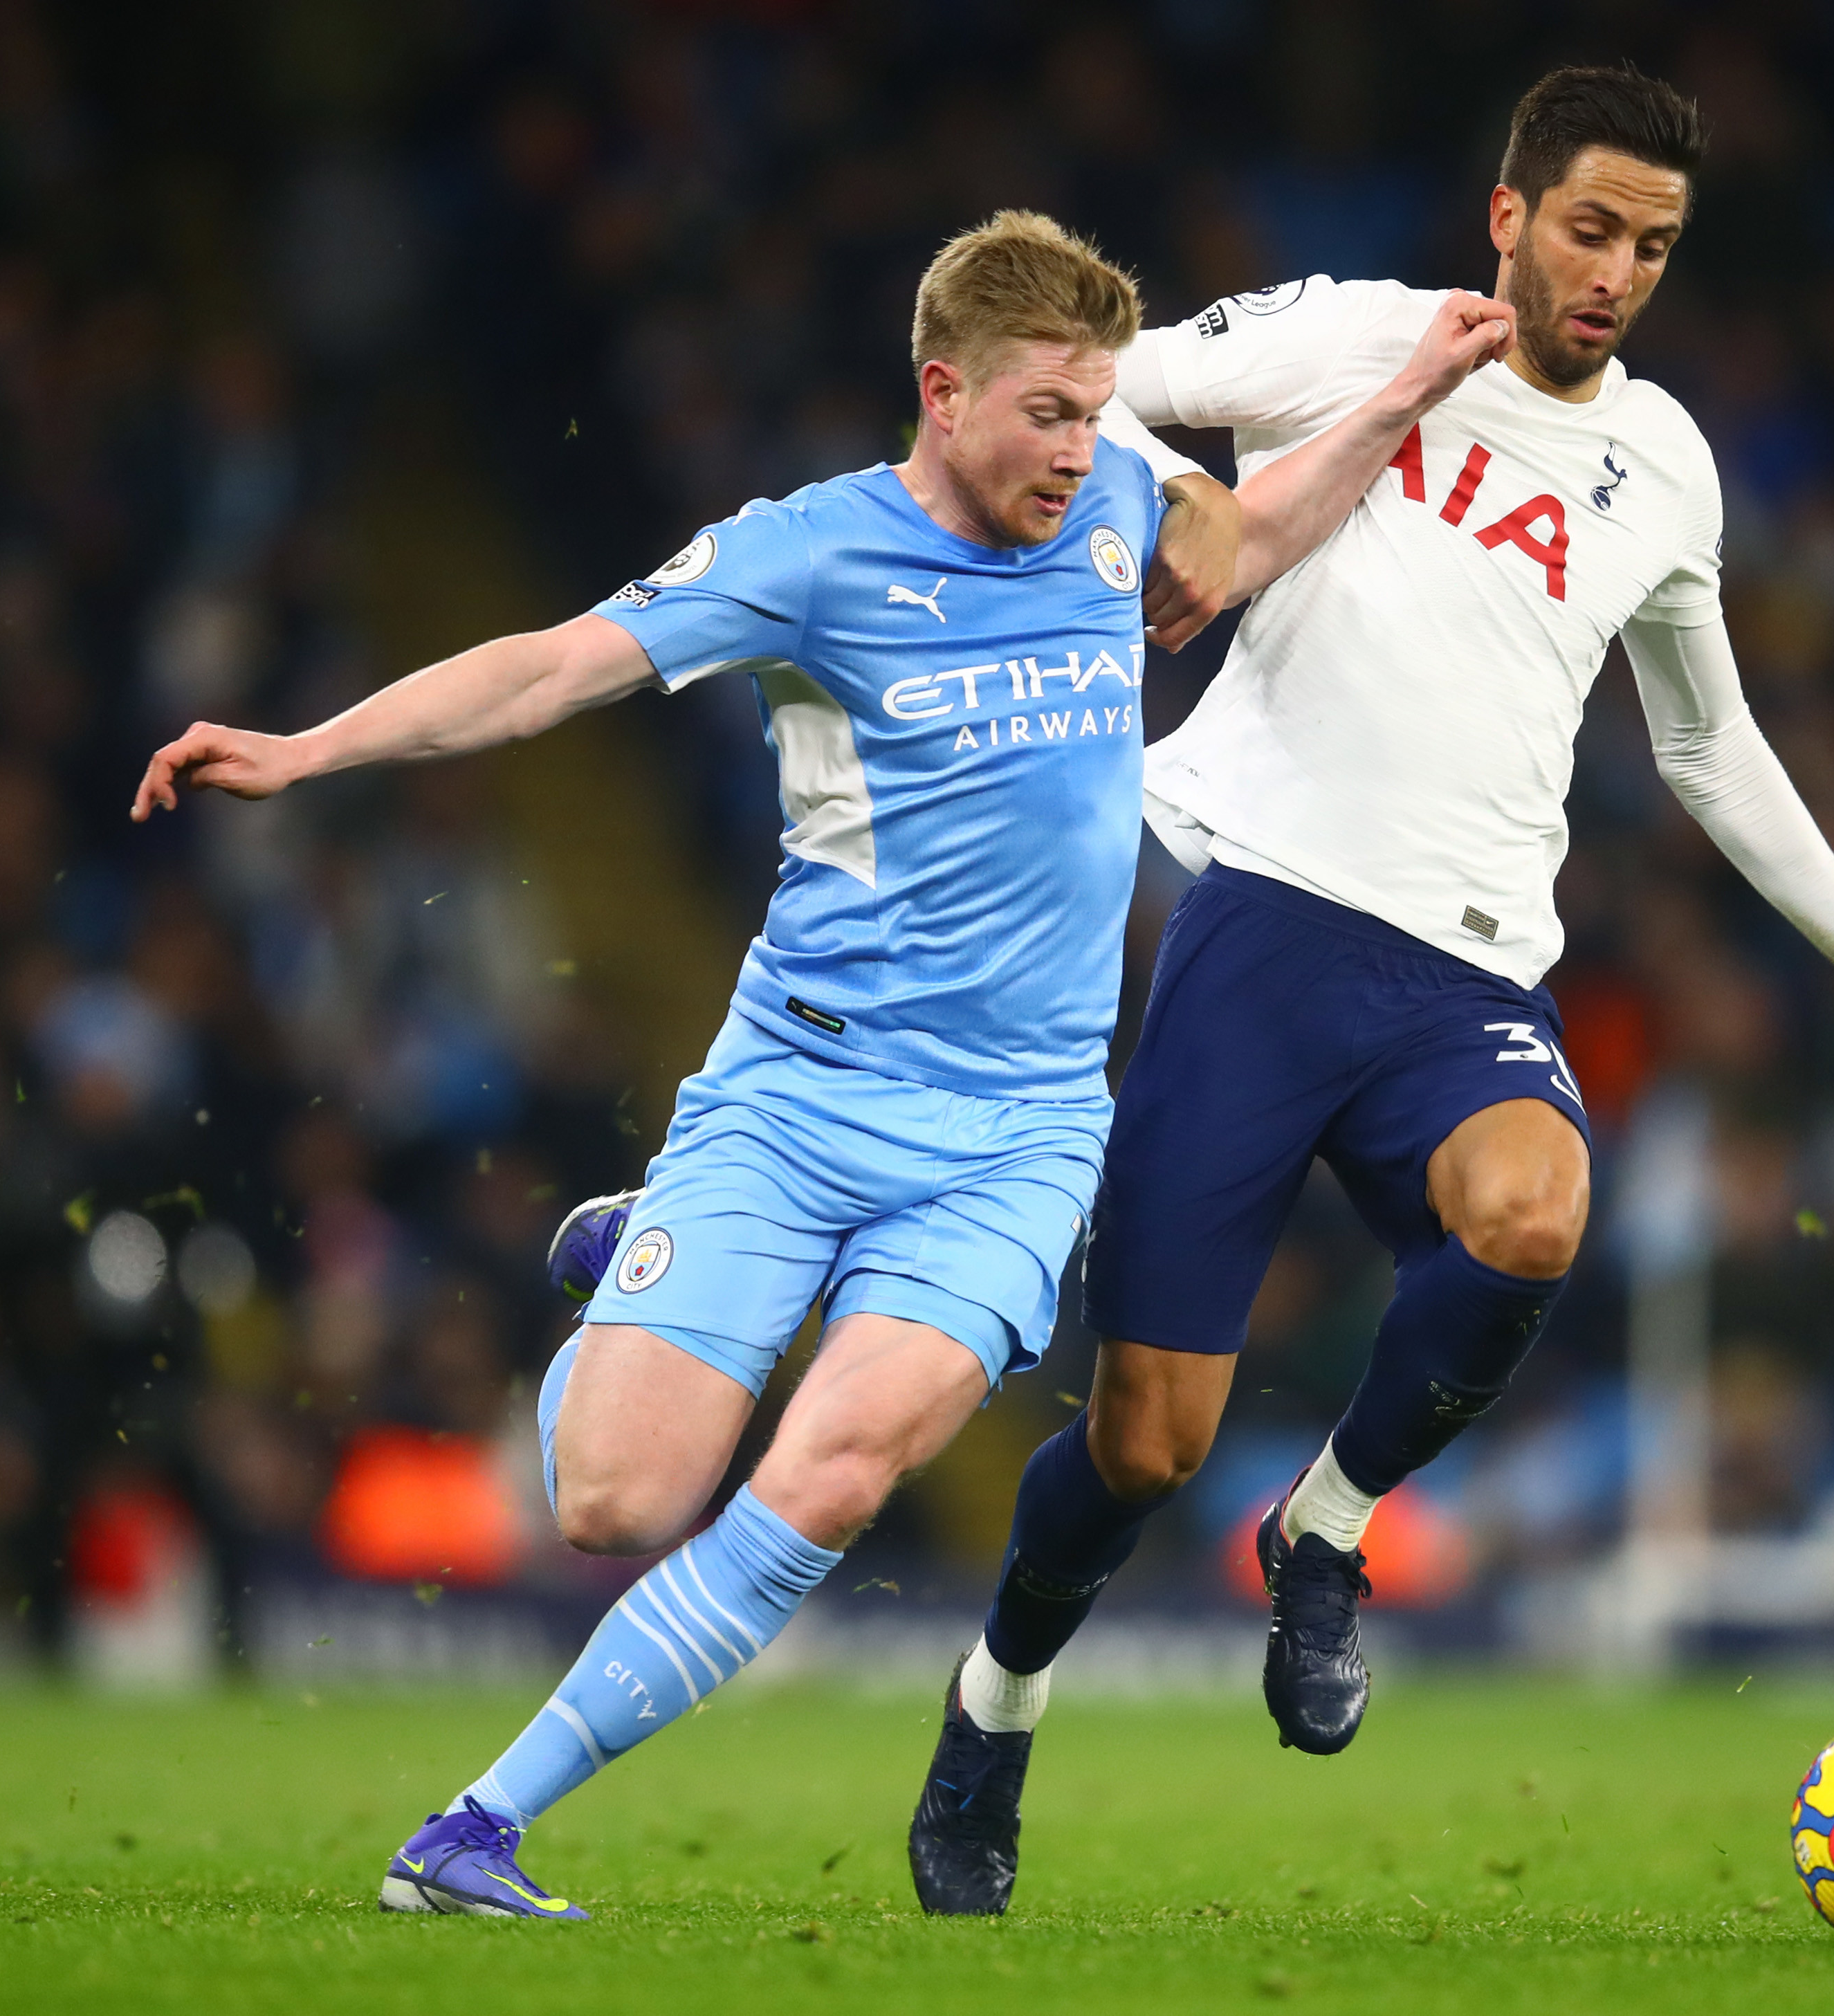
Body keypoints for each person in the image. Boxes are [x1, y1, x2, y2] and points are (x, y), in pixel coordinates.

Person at [131, 210, 1509, 1923]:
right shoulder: (806, 554)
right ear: (943, 392)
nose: (1083, 450)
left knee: (839, 1467)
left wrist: (1406, 395)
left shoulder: (1117, 507)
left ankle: (473, 1829)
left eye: (1097, 412)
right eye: (1047, 415)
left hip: (1015, 1135)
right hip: (799, 1094)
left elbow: (1253, 540)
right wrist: (309, 747)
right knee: (615, 1500)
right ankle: (631, 1250)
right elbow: (557, 665)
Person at [898, 66, 1834, 1914]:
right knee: (1140, 1445)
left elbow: (1710, 739)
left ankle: (1327, 1533)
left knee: (1533, 1210)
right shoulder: (1345, 339)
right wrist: (1176, 493)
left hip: (1465, 972)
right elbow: (1085, 394)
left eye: (1652, 246)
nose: (1614, 273)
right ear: (1505, 213)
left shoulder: (1661, 465)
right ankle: (992, 1713)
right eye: (1587, 227)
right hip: (1259, 926)